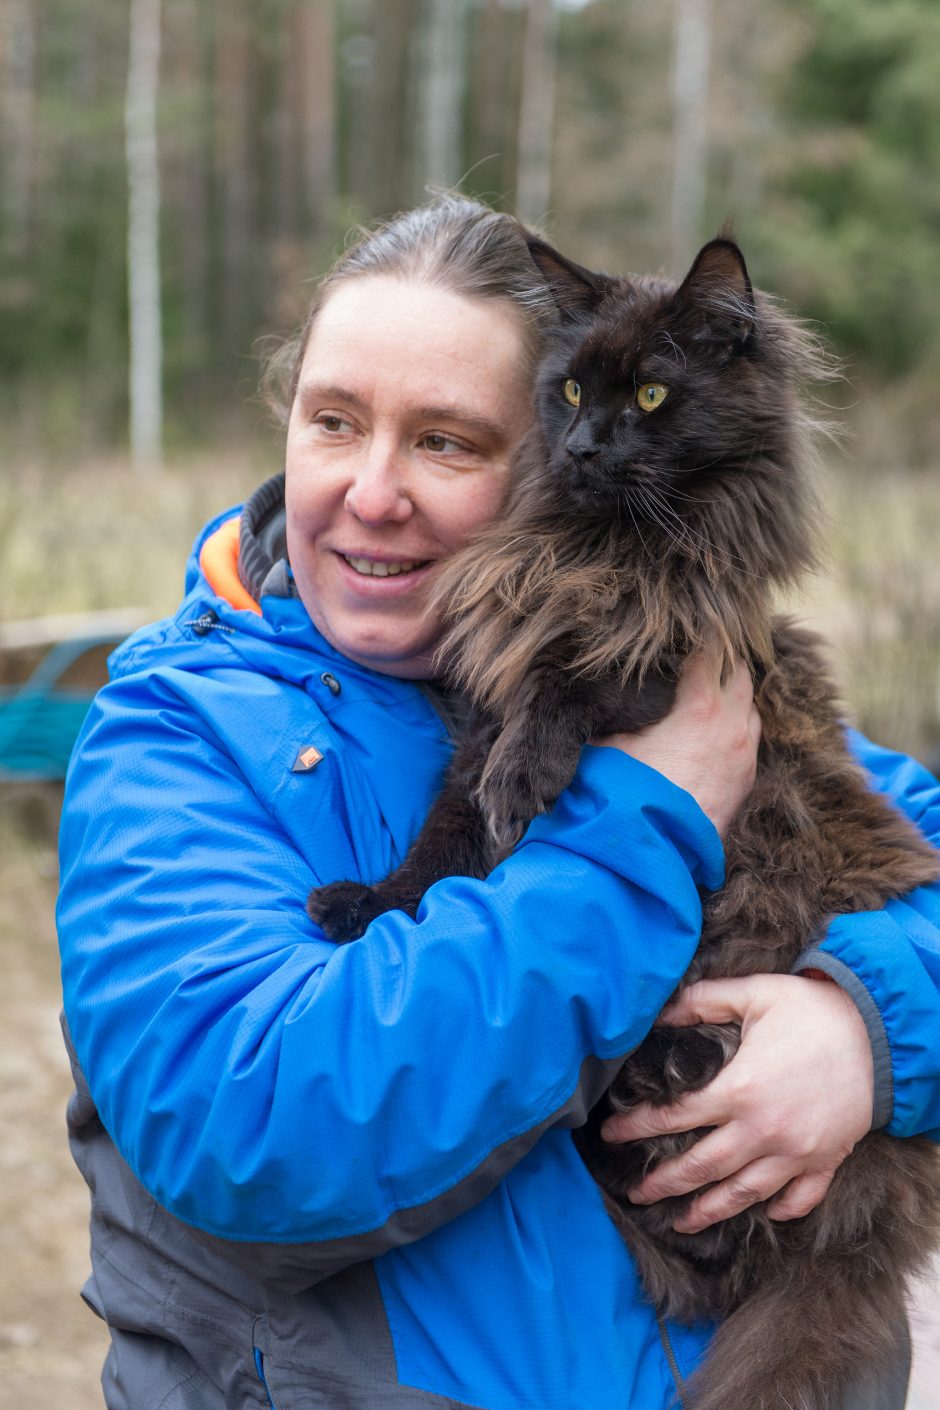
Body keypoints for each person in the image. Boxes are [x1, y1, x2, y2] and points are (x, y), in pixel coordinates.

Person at [57, 195, 940, 1410]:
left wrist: (870, 1027)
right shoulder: (175, 738)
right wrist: (638, 826)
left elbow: (901, 847)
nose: (373, 491)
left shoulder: (704, 678)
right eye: (332, 423)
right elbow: (260, 1136)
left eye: (446, 442)